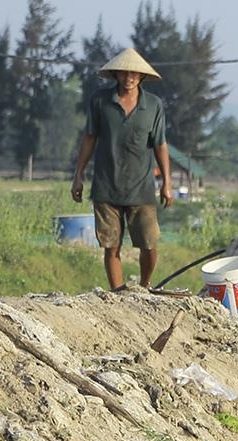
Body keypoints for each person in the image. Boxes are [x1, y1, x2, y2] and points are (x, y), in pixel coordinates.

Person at [71, 48, 172, 293]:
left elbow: (160, 144)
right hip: (106, 185)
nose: (129, 78)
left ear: (141, 77)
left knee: (149, 243)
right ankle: (117, 293)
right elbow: (89, 138)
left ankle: (145, 286)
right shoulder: (100, 101)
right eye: (124, 73)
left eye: (134, 74)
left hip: (141, 187)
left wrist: (166, 183)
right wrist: (78, 175)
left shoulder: (154, 105)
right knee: (111, 245)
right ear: (116, 75)